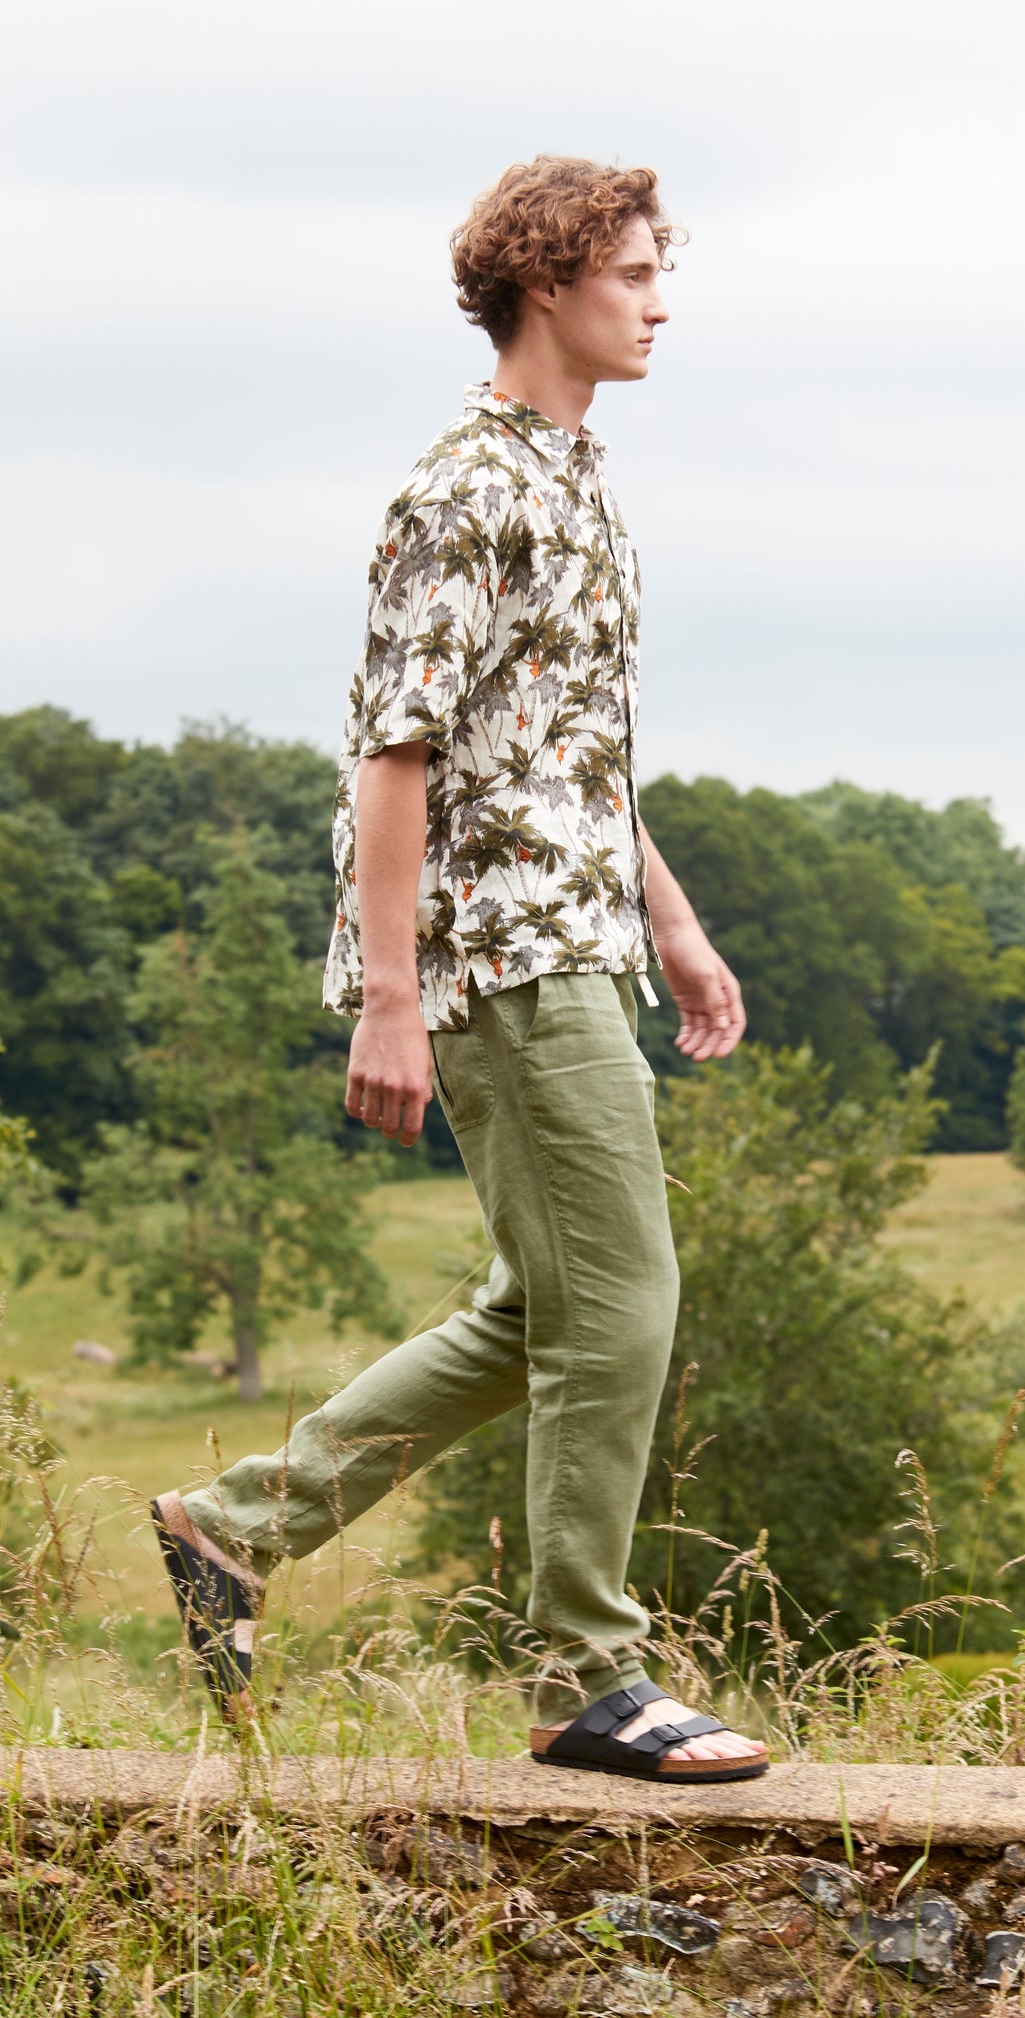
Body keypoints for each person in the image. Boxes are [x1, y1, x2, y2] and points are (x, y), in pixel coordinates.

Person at [150, 156, 769, 1783]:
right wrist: (390, 993)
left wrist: (673, 920)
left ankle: (232, 1528)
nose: (659, 302)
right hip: (499, 961)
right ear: (548, 281)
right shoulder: (465, 489)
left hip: (579, 939)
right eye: (633, 273)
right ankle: (588, 1675)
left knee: (542, 1308)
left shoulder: (578, 480)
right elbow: (397, 750)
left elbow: (564, 759)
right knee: (621, 1308)